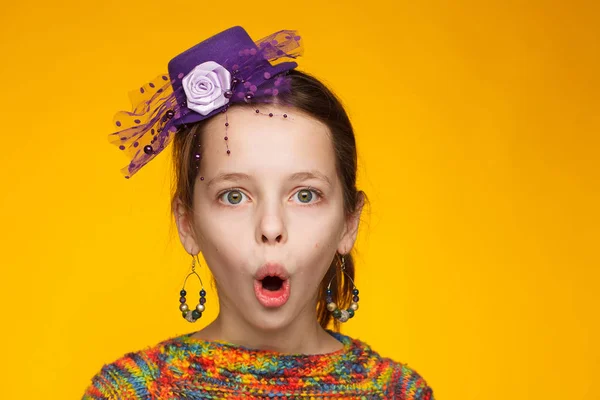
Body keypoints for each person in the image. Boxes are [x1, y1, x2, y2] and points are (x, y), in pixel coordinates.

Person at [82, 26, 435, 399]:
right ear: (187, 223)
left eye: (305, 195)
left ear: (349, 223)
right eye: (234, 196)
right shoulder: (129, 393)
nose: (271, 227)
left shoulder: (398, 393)